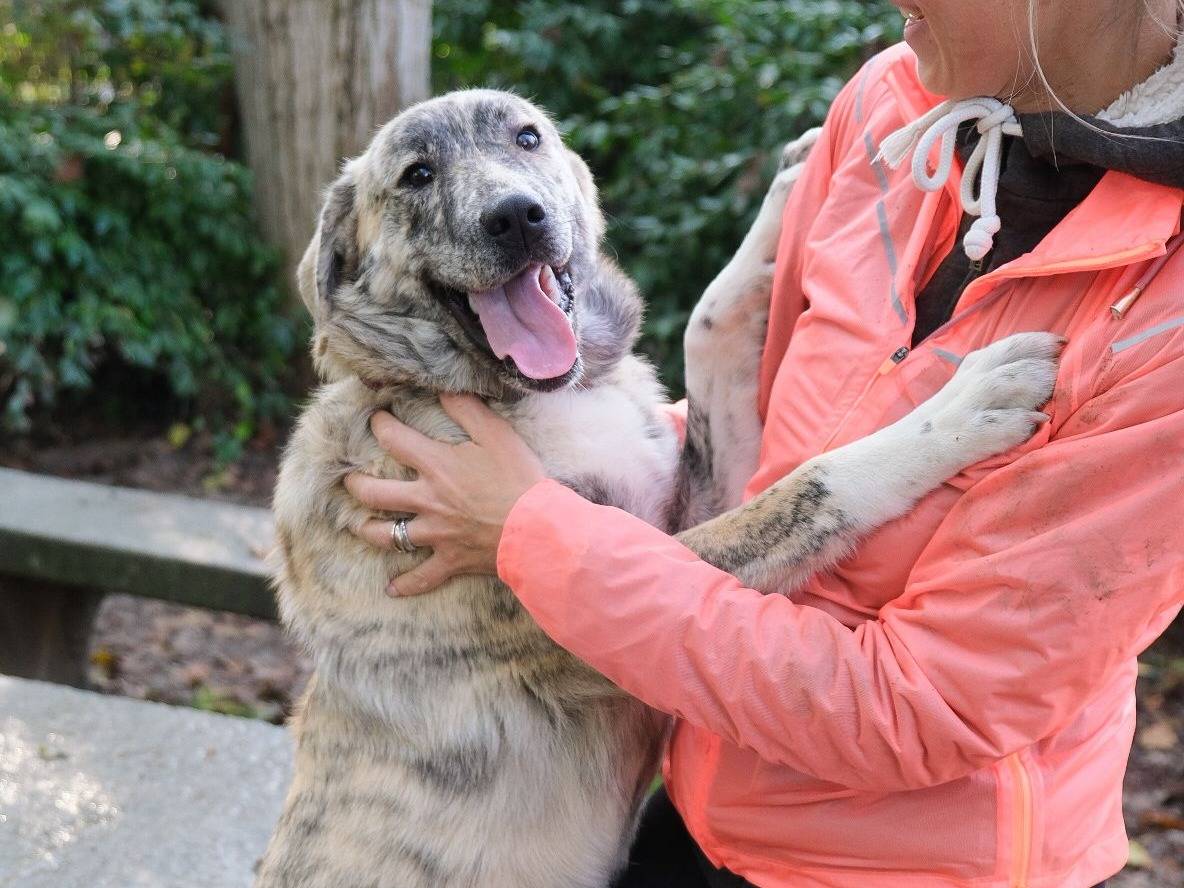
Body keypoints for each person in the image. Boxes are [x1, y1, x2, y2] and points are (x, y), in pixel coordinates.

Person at [343, 1, 1184, 885]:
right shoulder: (888, 106)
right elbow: (768, 448)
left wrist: (528, 526)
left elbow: (915, 706)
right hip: (699, 806)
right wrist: (557, 484)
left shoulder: (1165, 321)